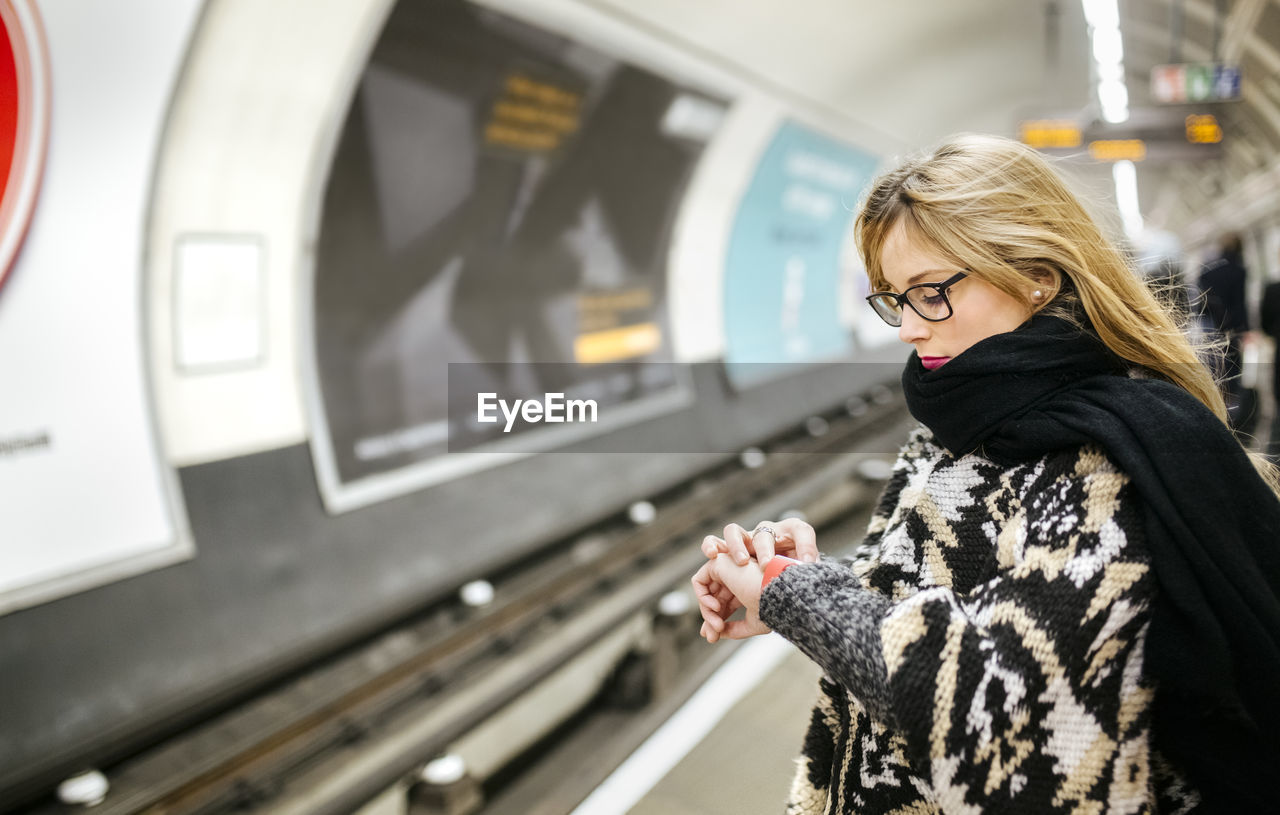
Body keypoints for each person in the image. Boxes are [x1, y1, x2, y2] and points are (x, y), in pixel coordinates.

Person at [691, 135, 1280, 814]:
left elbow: (1001, 715)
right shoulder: (961, 425)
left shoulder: (1102, 466)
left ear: (1036, 274)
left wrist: (797, 595)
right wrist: (829, 576)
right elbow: (964, 590)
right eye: (893, 299)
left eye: (931, 293)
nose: (909, 327)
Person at [1198, 233, 1250, 426]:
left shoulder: (1208, 271)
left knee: (1216, 369)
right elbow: (1239, 303)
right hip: (1232, 328)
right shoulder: (1239, 270)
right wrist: (1245, 329)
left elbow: (1201, 300)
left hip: (1211, 326)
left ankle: (1218, 410)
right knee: (1234, 368)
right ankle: (1236, 415)